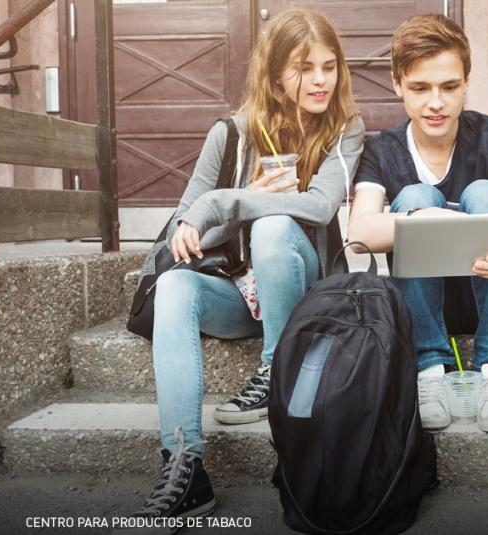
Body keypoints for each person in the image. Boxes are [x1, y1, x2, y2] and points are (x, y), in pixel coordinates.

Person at [121, 8, 364, 525]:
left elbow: (320, 207)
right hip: (240, 296)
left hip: (306, 292)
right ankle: (183, 463)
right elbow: (183, 234)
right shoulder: (230, 135)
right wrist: (244, 198)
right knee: (174, 287)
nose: (320, 80)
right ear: (276, 74)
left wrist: (230, 205)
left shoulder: (345, 130)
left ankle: (276, 370)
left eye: (329, 66)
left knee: (277, 228)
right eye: (304, 68)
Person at [348, 14, 488, 434]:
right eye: (420, 88)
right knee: (415, 198)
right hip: (424, 303)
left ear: (466, 81)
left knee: (484, 192)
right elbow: (359, 234)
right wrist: (422, 217)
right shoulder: (383, 150)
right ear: (397, 83)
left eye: (449, 87)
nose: (436, 103)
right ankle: (429, 371)